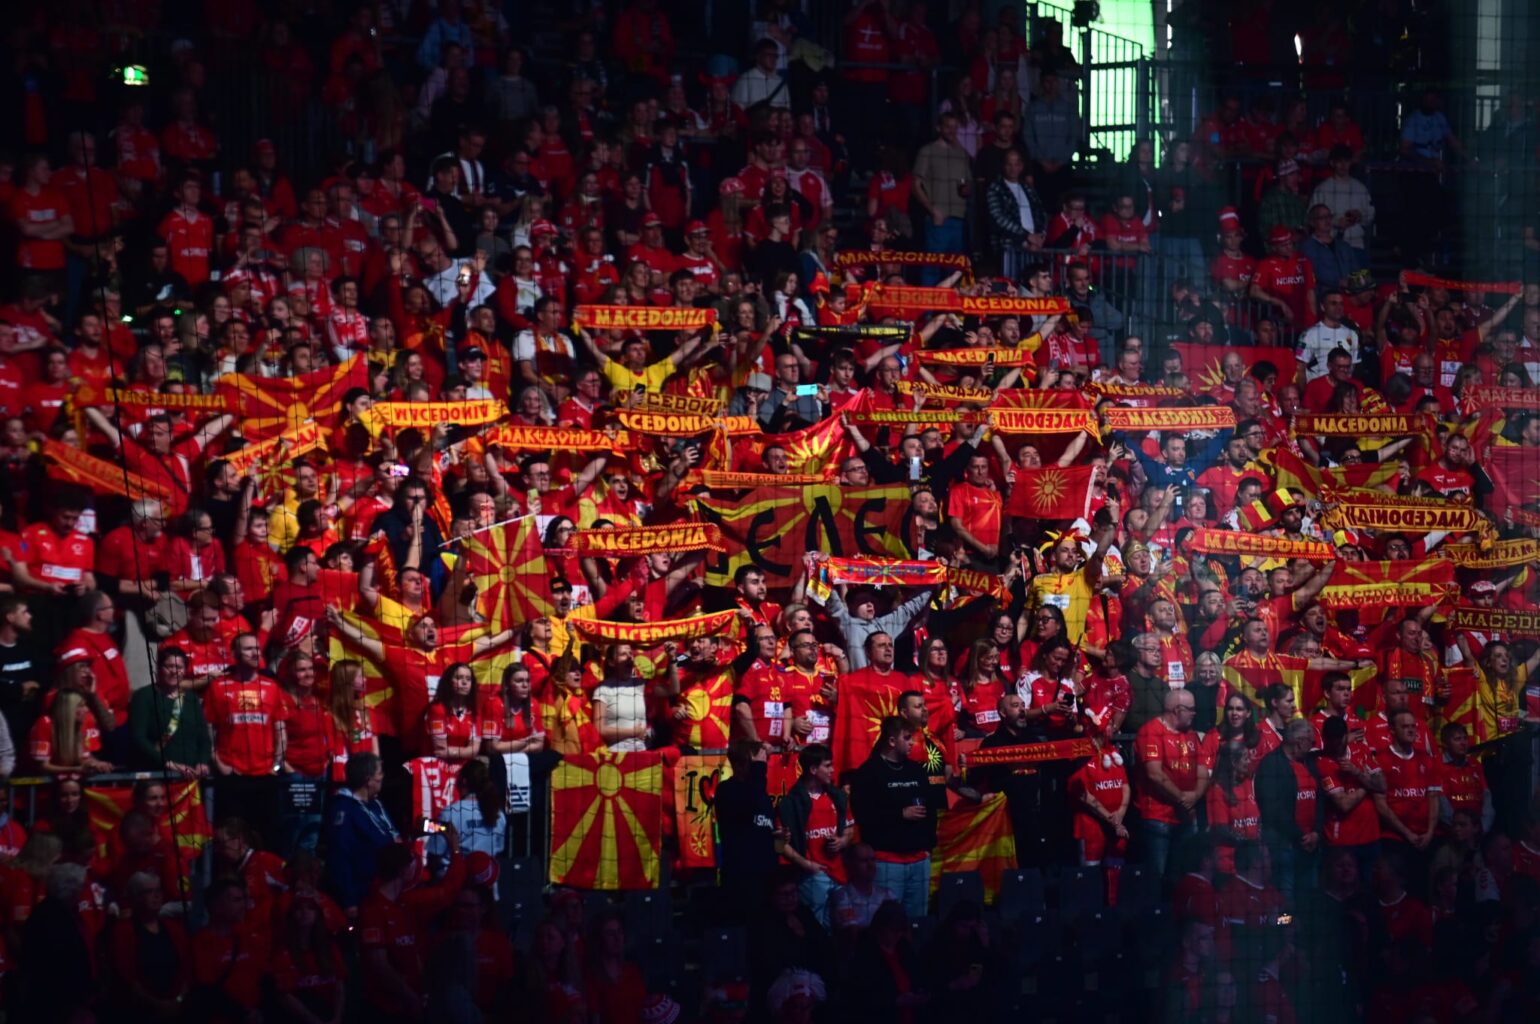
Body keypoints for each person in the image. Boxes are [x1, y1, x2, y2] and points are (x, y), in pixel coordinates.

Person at [849, 717, 943, 920]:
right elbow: (863, 814)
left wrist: (928, 847)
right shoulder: (869, 772)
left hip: (919, 860)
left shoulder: (917, 770)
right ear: (892, 741)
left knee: (918, 922)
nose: (912, 743)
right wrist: (900, 814)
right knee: (887, 921)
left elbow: (931, 809)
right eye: (907, 738)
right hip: (887, 861)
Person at [778, 742, 851, 927]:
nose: (832, 770)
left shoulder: (837, 797)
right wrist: (807, 865)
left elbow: (850, 828)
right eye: (827, 765)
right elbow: (779, 844)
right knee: (816, 929)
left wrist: (843, 841)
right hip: (811, 877)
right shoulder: (790, 803)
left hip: (839, 874)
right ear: (812, 769)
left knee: (845, 928)